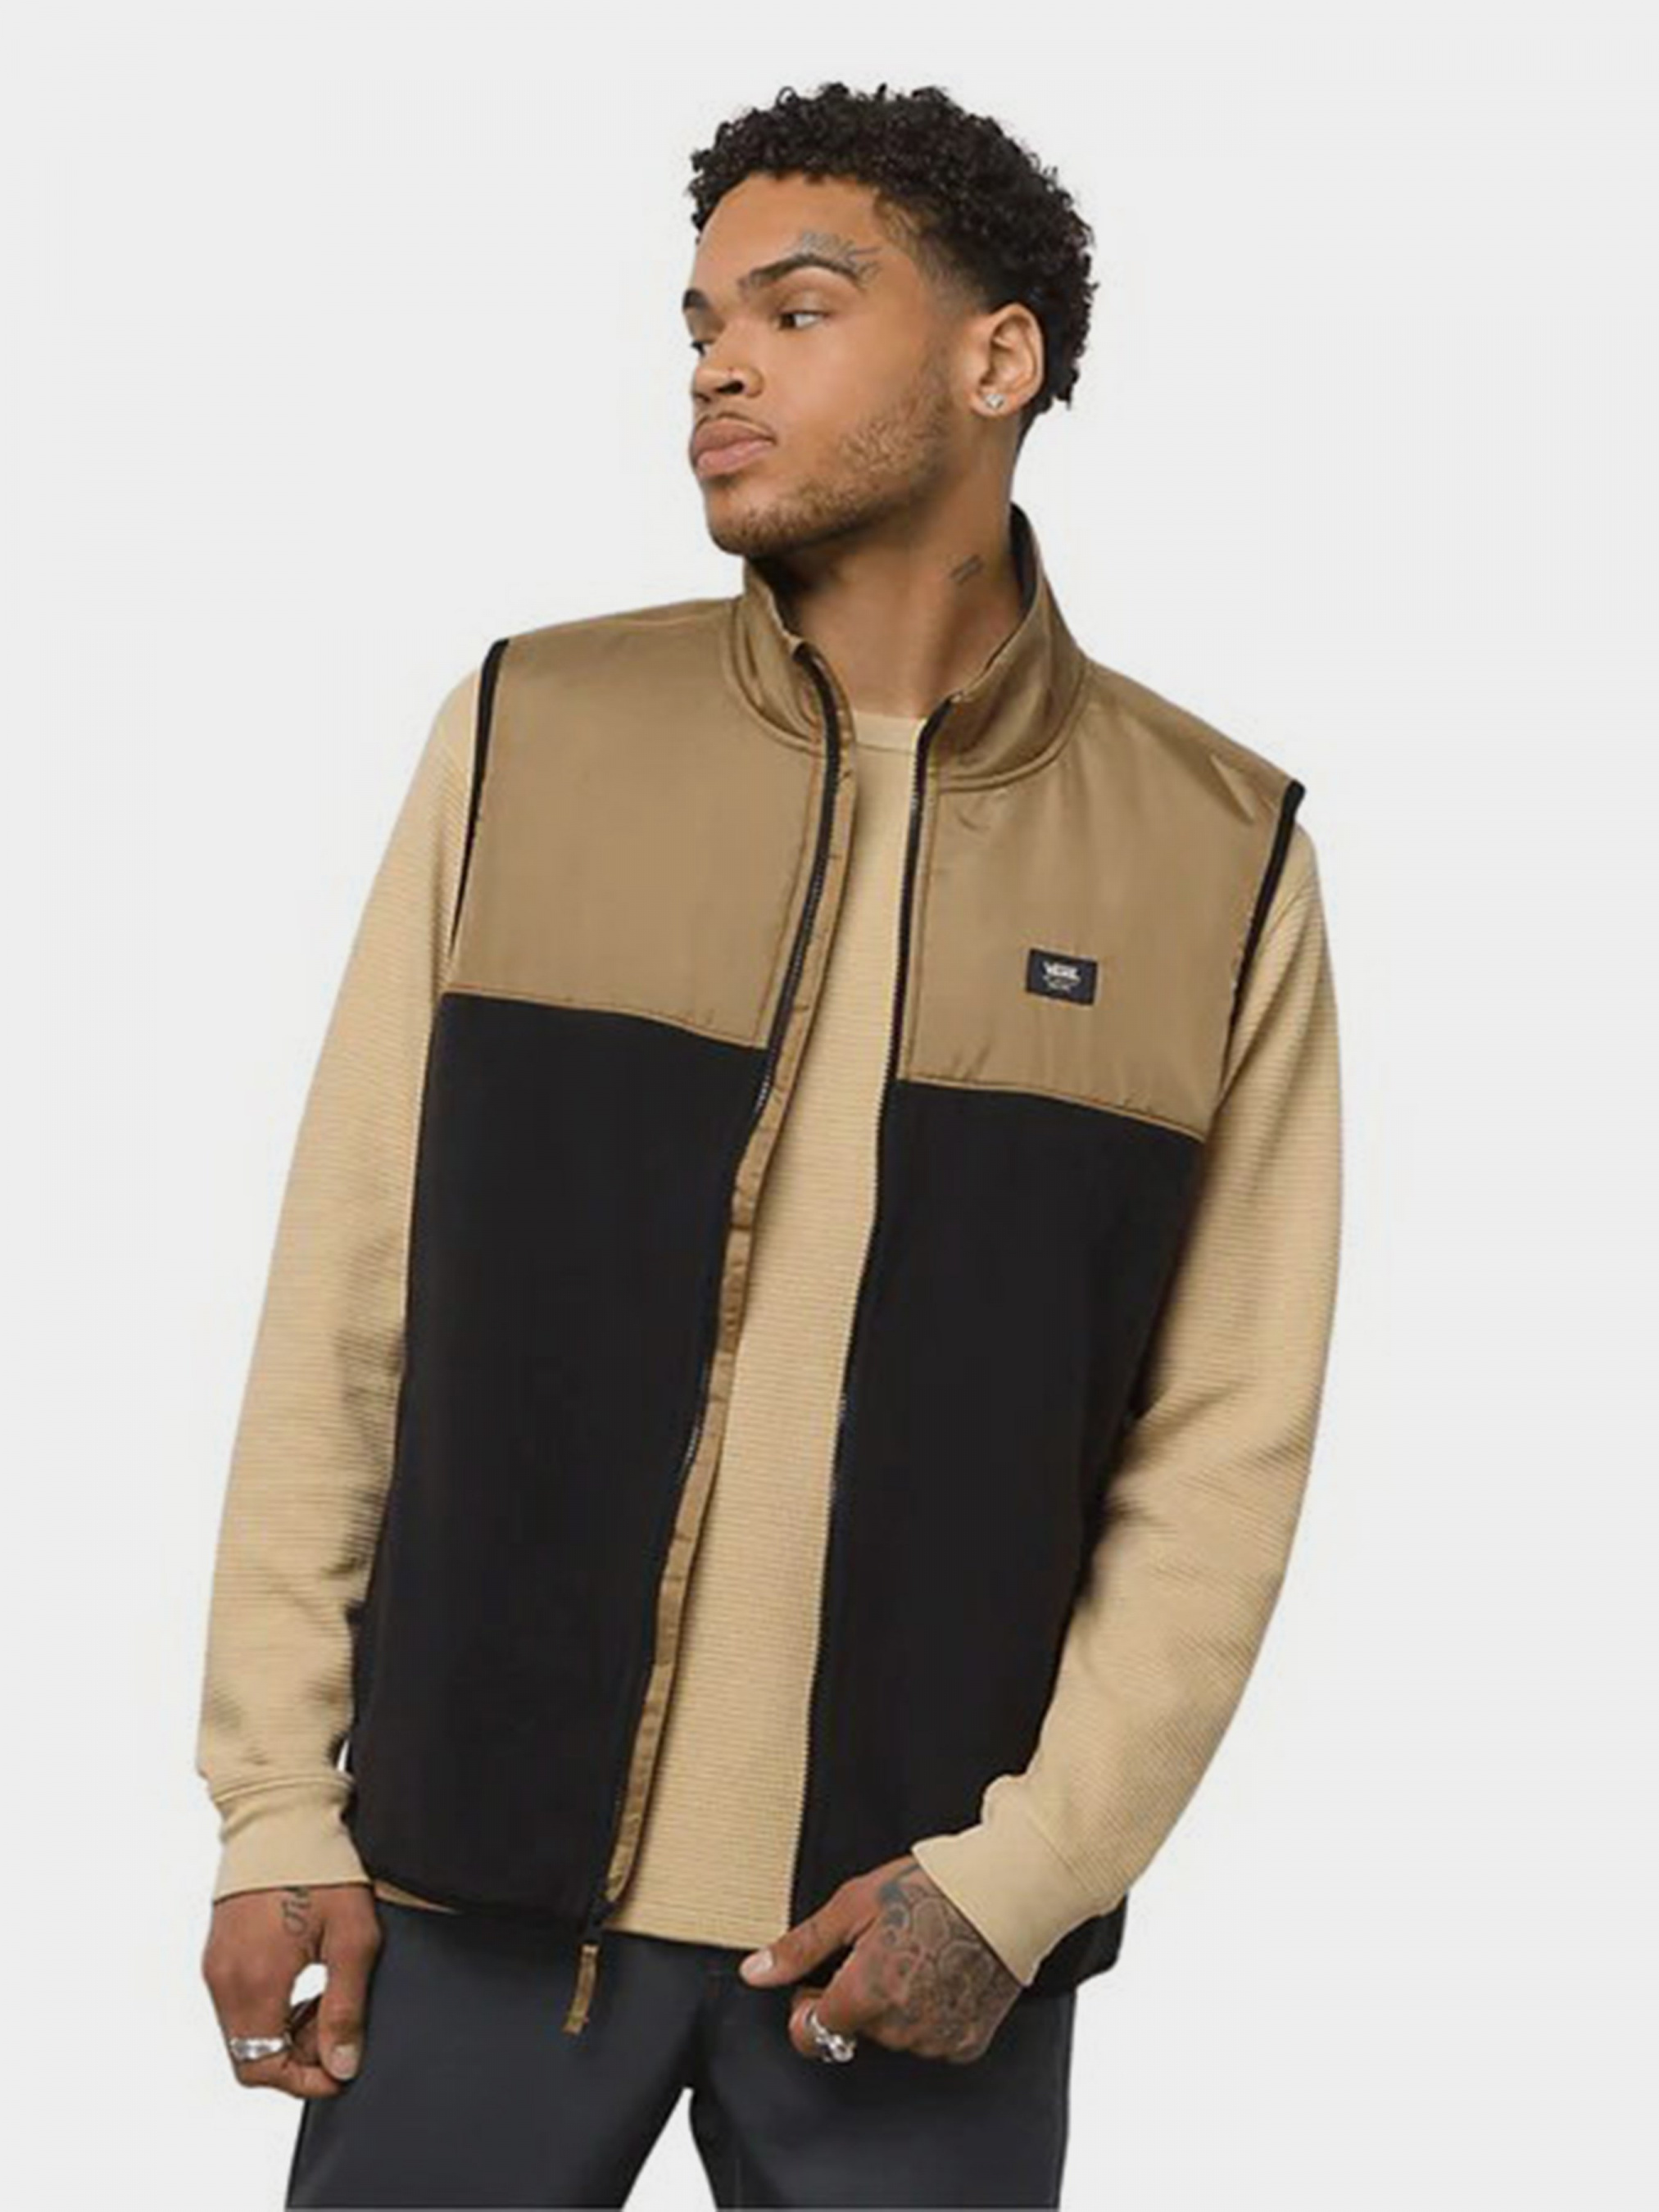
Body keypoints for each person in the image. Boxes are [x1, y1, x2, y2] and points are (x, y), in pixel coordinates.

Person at [196, 78, 1342, 2211]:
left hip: (908, 1929)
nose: (719, 365)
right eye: (703, 322)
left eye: (797, 311)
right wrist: (275, 1802)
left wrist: (1020, 1881)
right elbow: (348, 1298)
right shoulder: (536, 733)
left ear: (998, 359)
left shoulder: (1215, 851)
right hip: (464, 1892)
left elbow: (1221, 1452)